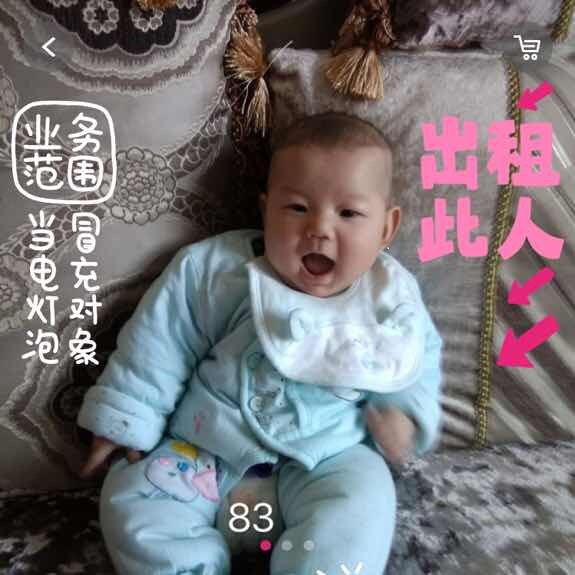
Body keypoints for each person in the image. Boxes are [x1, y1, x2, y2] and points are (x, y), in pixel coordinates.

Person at [77, 111, 443, 575]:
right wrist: (127, 417)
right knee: (133, 496)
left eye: (349, 213)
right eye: (297, 208)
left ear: (386, 228)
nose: (319, 228)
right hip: (204, 449)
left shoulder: (390, 299)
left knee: (365, 502)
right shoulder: (216, 270)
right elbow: (159, 342)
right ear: (266, 210)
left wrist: (403, 414)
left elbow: (414, 360)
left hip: (325, 457)